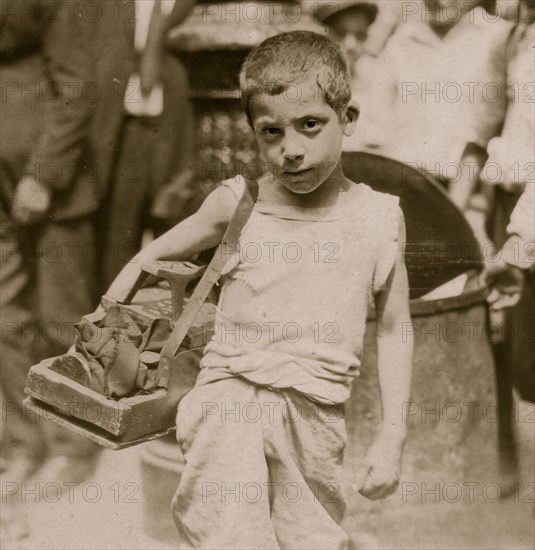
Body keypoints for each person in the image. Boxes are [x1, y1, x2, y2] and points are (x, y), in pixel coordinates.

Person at [102, 31, 413, 549]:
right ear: (254, 133)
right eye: (271, 132)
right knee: (230, 536)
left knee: (310, 538)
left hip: (316, 417)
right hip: (228, 403)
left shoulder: (380, 218)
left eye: (310, 125)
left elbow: (396, 327)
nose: (291, 149)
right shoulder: (238, 203)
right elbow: (147, 257)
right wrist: (105, 326)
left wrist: (393, 434)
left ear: (349, 120)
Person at [353, 0, 512, 213]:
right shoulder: (402, 40)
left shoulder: (498, 37)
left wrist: (454, 212)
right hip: (398, 187)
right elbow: (375, 129)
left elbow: (483, 134)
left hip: (468, 198)